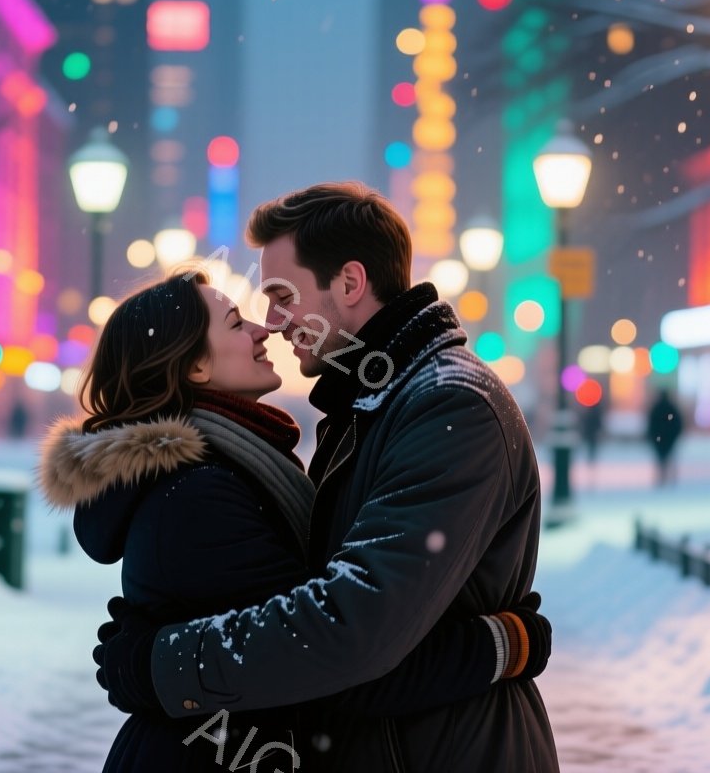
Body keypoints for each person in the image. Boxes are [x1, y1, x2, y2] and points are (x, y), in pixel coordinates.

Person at [94, 183, 558, 772]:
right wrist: (502, 645)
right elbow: (339, 629)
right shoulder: (367, 406)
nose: (272, 323)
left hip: (443, 749)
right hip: (406, 744)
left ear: (349, 283)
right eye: (249, 312)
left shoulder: (445, 406)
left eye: (282, 295)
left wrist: (160, 665)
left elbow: (350, 627)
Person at [647, 389, 683, 487]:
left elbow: (651, 424)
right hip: (669, 438)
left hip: (659, 438)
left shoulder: (656, 408)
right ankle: (669, 479)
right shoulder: (671, 408)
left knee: (661, 459)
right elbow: (678, 424)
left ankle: (662, 478)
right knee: (668, 458)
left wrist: (653, 436)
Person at [579, 393, 603, 463]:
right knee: (591, 445)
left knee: (591, 445)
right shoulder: (595, 410)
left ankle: (591, 458)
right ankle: (591, 458)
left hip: (591, 431)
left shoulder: (591, 410)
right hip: (591, 431)